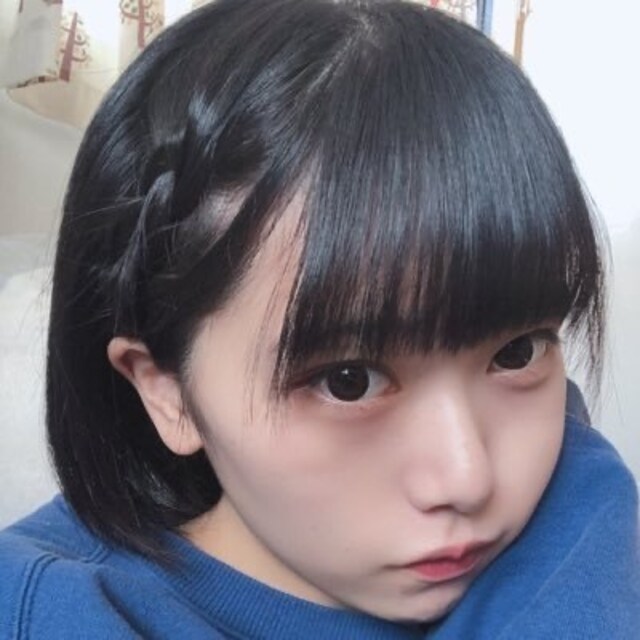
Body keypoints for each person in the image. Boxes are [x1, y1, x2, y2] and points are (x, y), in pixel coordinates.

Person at [1, 0, 638, 638]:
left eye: (517, 351)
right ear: (167, 390)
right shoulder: (58, 609)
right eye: (348, 381)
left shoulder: (577, 500)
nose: (467, 479)